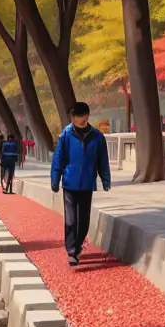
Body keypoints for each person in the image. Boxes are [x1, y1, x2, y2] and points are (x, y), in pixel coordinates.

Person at [51, 102, 111, 267]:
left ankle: (77, 246)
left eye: (81, 116)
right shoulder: (66, 135)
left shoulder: (97, 137)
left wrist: (105, 179)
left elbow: (103, 161)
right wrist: (55, 179)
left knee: (83, 220)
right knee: (71, 219)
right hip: (70, 183)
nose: (78, 119)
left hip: (87, 184)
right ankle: (71, 251)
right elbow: (58, 158)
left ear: (86, 116)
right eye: (76, 117)